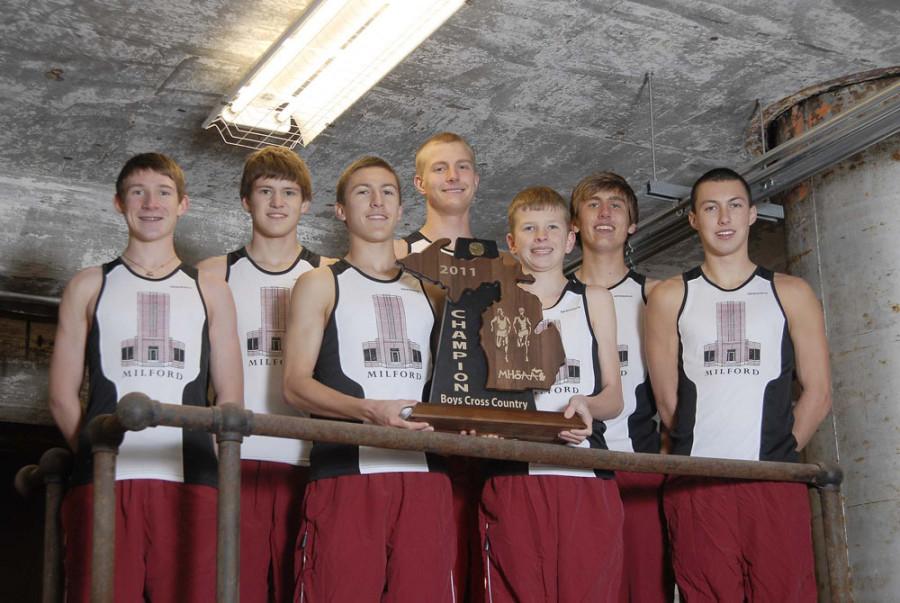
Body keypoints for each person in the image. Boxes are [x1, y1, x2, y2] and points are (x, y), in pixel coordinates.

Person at [48, 152, 243, 602]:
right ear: (120, 203)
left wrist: (206, 459)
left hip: (192, 481)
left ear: (183, 205)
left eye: (163, 192)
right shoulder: (89, 284)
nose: (150, 203)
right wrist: (97, 453)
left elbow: (230, 395)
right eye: (138, 192)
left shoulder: (210, 289)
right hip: (105, 478)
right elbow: (61, 396)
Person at [645, 167, 832, 601]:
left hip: (773, 483)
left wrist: (773, 456)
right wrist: (709, 458)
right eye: (711, 208)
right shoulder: (670, 296)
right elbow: (669, 402)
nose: (723, 218)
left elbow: (818, 393)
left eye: (734, 206)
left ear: (751, 215)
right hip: (698, 484)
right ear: (694, 219)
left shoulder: (791, 292)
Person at [283, 156, 454, 602]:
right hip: (345, 472)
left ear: (401, 210)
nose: (377, 202)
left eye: (388, 193)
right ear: (341, 210)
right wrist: (367, 411)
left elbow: (457, 385)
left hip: (425, 475)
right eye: (363, 192)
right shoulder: (319, 283)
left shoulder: (433, 292)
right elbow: (295, 385)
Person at [197, 146, 331, 603]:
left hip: (311, 460)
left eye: (289, 192)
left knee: (306, 588)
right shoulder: (212, 275)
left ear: (306, 203)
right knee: (235, 587)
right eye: (265, 191)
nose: (277, 202)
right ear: (245, 201)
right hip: (235, 456)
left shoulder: (329, 275)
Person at [479, 186, 624, 602]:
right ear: (512, 241)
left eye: (551, 228)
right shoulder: (488, 305)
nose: (541, 238)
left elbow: (614, 397)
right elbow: (475, 396)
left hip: (586, 474)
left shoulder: (595, 299)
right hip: (514, 474)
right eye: (529, 228)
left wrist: (587, 406)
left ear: (570, 238)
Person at [570, 172, 674, 602]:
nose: (605, 212)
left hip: (639, 467)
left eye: (616, 204)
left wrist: (666, 464)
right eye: (593, 204)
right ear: (575, 223)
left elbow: (678, 394)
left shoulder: (658, 296)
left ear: (632, 222)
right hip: (570, 469)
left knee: (645, 588)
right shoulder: (550, 294)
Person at [395, 131, 480, 258]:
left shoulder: (499, 264)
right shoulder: (396, 256)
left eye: (462, 167)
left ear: (475, 180)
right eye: (440, 169)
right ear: (420, 184)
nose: (453, 176)